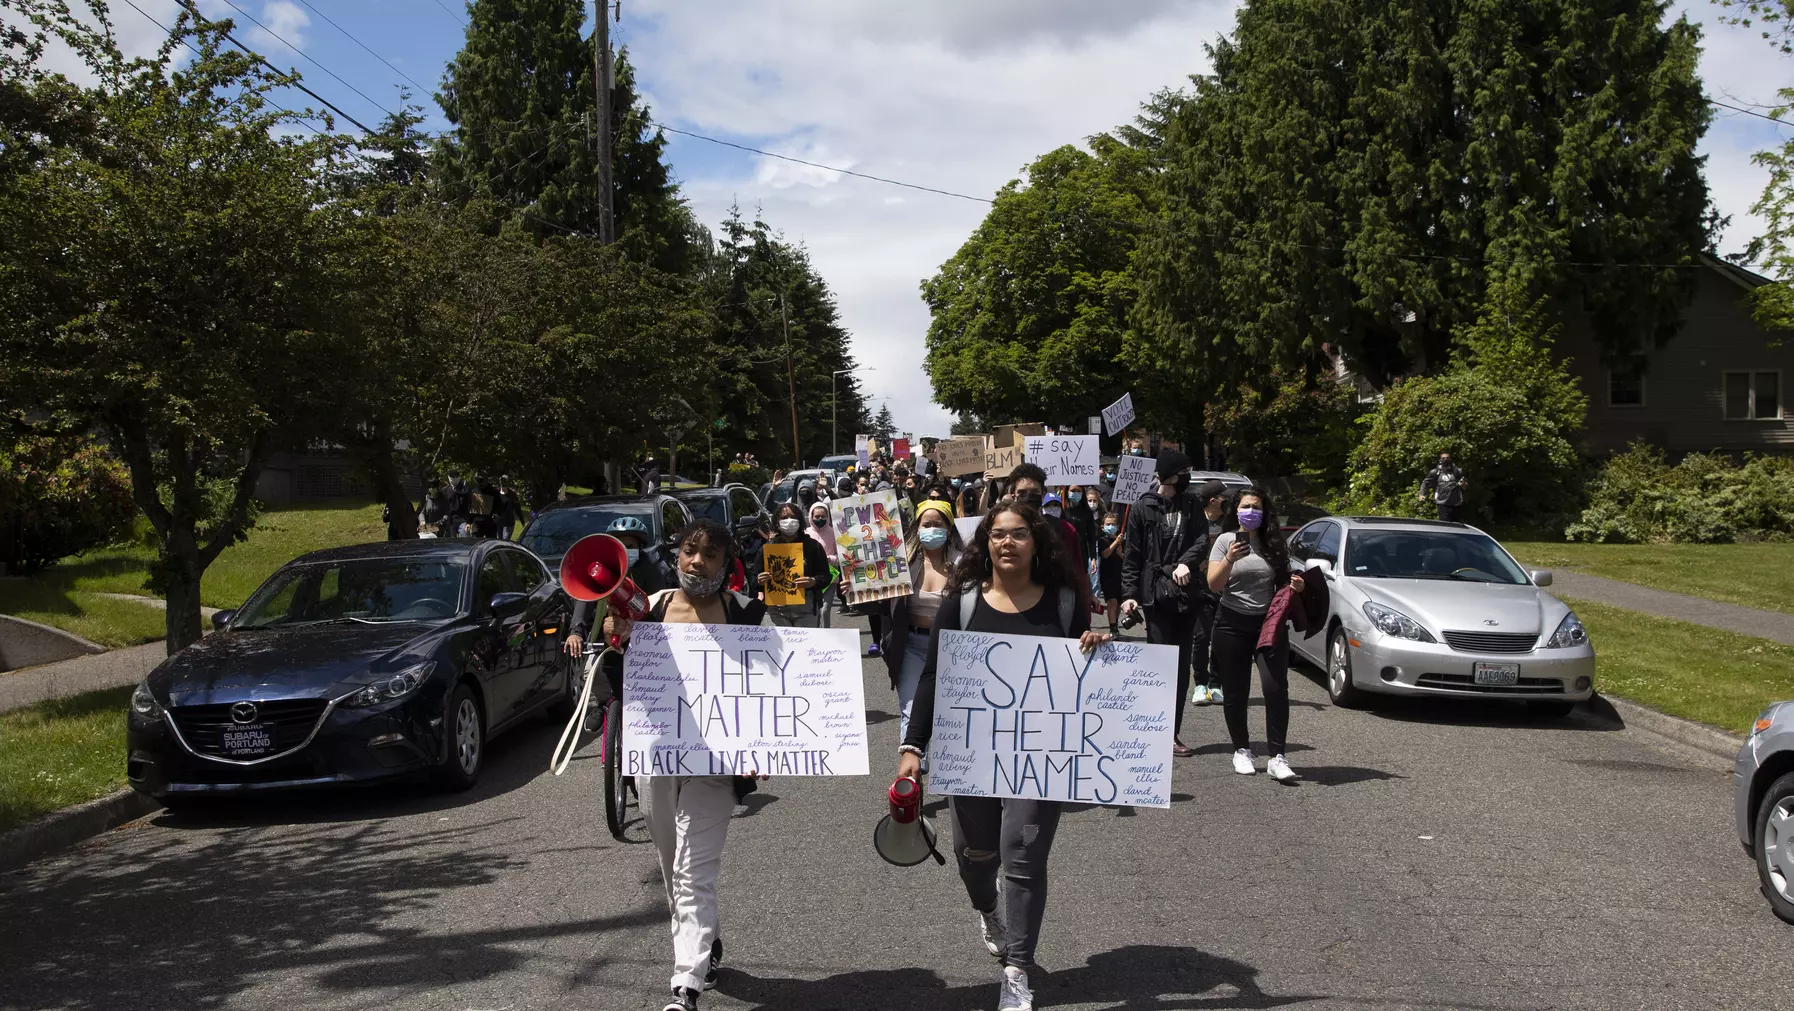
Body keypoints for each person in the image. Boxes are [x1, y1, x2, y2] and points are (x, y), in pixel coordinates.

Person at [895, 500, 1110, 1011]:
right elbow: (933, 675)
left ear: (1036, 542)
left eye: (1017, 534)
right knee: (976, 855)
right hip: (971, 753)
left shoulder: (1061, 601)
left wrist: (1098, 645)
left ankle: (1017, 967)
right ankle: (987, 906)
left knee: (1025, 858)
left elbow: (1086, 667)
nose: (1006, 543)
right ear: (984, 543)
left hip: (1040, 756)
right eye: (996, 535)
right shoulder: (964, 601)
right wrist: (912, 746)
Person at [603, 520, 768, 1011]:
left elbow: (777, 681)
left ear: (725, 564)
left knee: (694, 869)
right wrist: (619, 639)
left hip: (715, 764)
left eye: (710, 555)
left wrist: (771, 742)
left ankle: (685, 985)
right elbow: (620, 683)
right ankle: (704, 938)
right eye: (691, 551)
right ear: (678, 554)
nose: (698, 561)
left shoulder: (747, 615)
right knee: (670, 860)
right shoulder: (650, 608)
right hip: (656, 755)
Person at [1207, 487, 1305, 782]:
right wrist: (1230, 560)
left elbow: (1282, 584)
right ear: (1236, 511)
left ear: (1265, 512)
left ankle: (1278, 757)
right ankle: (1241, 750)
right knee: (1236, 691)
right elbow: (1214, 584)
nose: (1251, 512)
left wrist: (1296, 587)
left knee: (1276, 688)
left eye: (1257, 507)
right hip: (1231, 623)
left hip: (1268, 624)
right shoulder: (1225, 541)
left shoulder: (1274, 543)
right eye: (1246, 506)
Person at [1117, 450, 1211, 758]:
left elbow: (1202, 539)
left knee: (1181, 669)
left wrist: (1186, 562)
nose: (1188, 477)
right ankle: (1151, 729)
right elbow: (1132, 555)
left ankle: (1171, 733)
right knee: (1158, 668)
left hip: (1185, 596)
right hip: (1155, 598)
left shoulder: (1192, 504)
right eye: (1184, 471)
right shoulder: (1143, 507)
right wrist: (1129, 595)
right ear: (1169, 474)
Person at [881, 498, 963, 748]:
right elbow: (878, 601)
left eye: (938, 524)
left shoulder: (963, 564)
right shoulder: (902, 561)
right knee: (910, 707)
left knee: (947, 710)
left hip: (949, 648)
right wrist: (856, 590)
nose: (931, 529)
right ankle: (913, 770)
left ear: (949, 529)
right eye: (926, 524)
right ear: (917, 527)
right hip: (911, 645)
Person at [562, 516, 666, 656]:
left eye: (629, 547)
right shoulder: (603, 570)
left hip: (642, 647)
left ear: (640, 548)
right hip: (603, 646)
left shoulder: (651, 572)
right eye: (620, 546)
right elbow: (585, 601)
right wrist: (576, 633)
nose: (624, 551)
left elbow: (658, 609)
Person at [1186, 481, 1232, 707]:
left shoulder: (1229, 524)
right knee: (1201, 637)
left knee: (1220, 639)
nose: (1227, 499)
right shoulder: (1194, 522)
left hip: (1225, 590)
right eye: (1224, 496)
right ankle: (1200, 684)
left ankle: (1216, 685)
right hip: (1199, 589)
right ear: (1213, 500)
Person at [757, 502, 833, 627]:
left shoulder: (813, 547)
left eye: (793, 517)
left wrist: (813, 581)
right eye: (784, 518)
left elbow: (826, 576)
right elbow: (754, 579)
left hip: (806, 609)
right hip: (776, 610)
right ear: (777, 522)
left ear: (800, 520)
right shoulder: (767, 549)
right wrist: (759, 580)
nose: (789, 521)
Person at [1008, 462, 1082, 564]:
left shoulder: (1065, 530)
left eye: (1034, 492)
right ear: (1013, 496)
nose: (1029, 496)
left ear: (1043, 495)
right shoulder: (1003, 532)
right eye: (1022, 493)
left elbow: (1078, 572)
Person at [804, 500, 839, 627]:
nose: (820, 519)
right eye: (817, 516)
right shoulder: (806, 533)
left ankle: (826, 633)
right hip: (812, 578)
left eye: (823, 516)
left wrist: (830, 559)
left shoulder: (834, 532)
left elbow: (841, 555)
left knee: (825, 610)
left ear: (827, 517)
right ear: (811, 517)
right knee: (815, 612)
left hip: (831, 576)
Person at [1419, 452, 1468, 522]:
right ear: (1440, 460)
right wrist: (1422, 494)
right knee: (1445, 525)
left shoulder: (1457, 471)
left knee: (1457, 526)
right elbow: (1425, 482)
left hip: (1456, 503)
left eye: (1447, 458)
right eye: (1443, 458)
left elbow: (1465, 486)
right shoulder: (1436, 472)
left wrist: (1464, 485)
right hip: (1443, 503)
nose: (1445, 459)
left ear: (1450, 459)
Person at [1098, 509, 1124, 633]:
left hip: (1121, 575)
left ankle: (1115, 622)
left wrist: (1121, 554)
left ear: (1118, 526)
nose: (1111, 526)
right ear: (1103, 527)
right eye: (1108, 524)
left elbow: (1127, 559)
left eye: (1113, 524)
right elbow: (1105, 554)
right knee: (1111, 601)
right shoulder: (1102, 541)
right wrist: (1115, 542)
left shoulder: (1123, 540)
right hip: (1107, 576)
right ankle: (1113, 628)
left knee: (1118, 602)